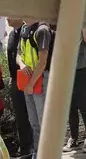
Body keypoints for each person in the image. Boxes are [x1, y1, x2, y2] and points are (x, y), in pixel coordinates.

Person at [16, 20, 54, 158]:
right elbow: (19, 53)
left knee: (44, 122)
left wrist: (31, 84)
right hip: (28, 80)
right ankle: (38, 153)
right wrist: (21, 65)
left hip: (40, 79)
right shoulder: (24, 28)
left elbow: (42, 62)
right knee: (34, 122)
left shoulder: (42, 30)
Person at [63, 28, 86, 153]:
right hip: (67, 73)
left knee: (84, 107)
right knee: (71, 108)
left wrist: (83, 22)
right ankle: (74, 138)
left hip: (81, 73)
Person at [6, 17, 33, 157]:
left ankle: (33, 148)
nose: (7, 17)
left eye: (10, 14)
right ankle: (24, 149)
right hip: (15, 79)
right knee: (20, 117)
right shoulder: (12, 34)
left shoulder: (27, 31)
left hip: (28, 79)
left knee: (32, 116)